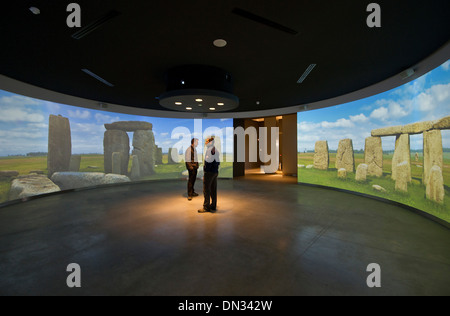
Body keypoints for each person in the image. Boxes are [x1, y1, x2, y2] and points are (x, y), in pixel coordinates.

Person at [198, 136, 220, 213]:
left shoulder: (209, 150)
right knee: (213, 190)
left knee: (206, 190)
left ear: (210, 142)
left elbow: (208, 162)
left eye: (206, 141)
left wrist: (205, 172)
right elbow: (218, 162)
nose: (205, 142)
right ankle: (213, 205)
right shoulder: (215, 150)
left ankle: (206, 207)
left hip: (209, 173)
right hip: (215, 172)